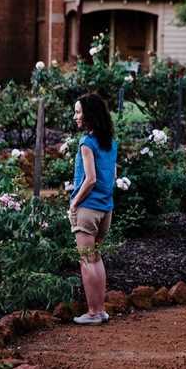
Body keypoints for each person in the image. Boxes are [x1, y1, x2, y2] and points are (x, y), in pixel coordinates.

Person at [68, 92, 118, 325]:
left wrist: (75, 203)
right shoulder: (110, 142)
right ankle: (101, 310)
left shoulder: (86, 143)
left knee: (86, 261)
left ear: (89, 115)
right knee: (96, 258)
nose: (75, 116)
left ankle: (93, 312)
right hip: (105, 208)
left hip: (87, 209)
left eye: (78, 111)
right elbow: (112, 175)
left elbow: (90, 179)